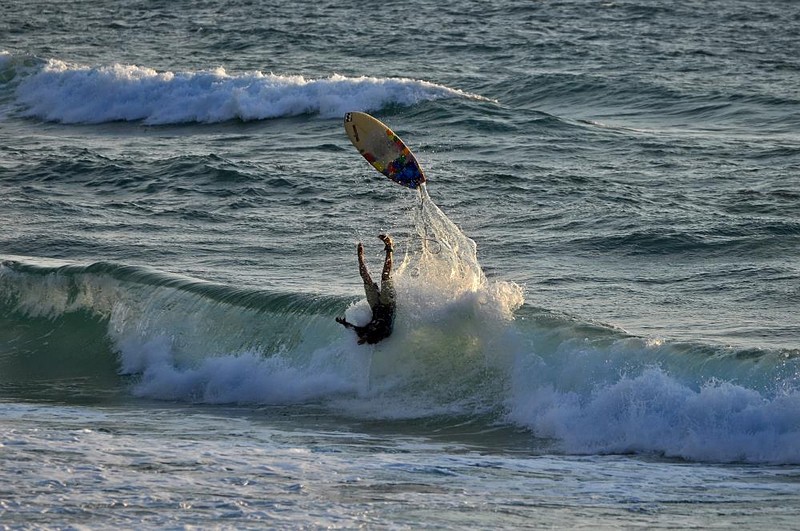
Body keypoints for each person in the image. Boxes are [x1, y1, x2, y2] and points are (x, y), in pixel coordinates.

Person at [336, 234, 396, 344]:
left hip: (376, 306)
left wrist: (344, 323)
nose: (361, 337)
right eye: (364, 338)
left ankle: (360, 257)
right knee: (385, 277)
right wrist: (367, 337)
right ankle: (389, 247)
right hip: (388, 305)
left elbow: (354, 328)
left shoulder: (364, 332)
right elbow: (377, 332)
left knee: (365, 278)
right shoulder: (384, 332)